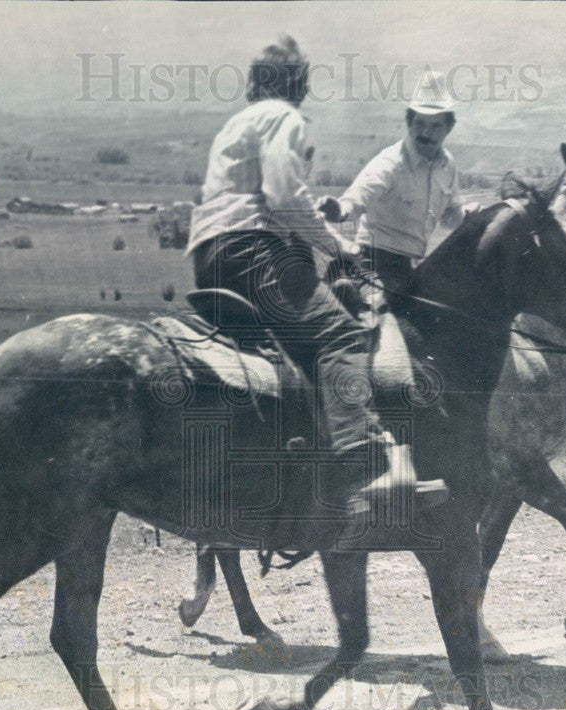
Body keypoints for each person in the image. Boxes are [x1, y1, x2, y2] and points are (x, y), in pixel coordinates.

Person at [185, 36, 445, 520]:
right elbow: (284, 195)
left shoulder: (236, 124)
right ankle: (366, 472)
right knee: (340, 335)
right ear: (298, 85)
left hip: (210, 255)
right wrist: (339, 246)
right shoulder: (284, 119)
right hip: (254, 251)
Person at [317, 71, 482, 296]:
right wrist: (340, 210)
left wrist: (466, 213)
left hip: (414, 270)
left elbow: (449, 217)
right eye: (419, 123)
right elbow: (359, 195)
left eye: (435, 126)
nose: (425, 133)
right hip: (373, 266)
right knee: (388, 330)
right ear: (409, 122)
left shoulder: (447, 165)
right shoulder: (391, 162)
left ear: (449, 128)